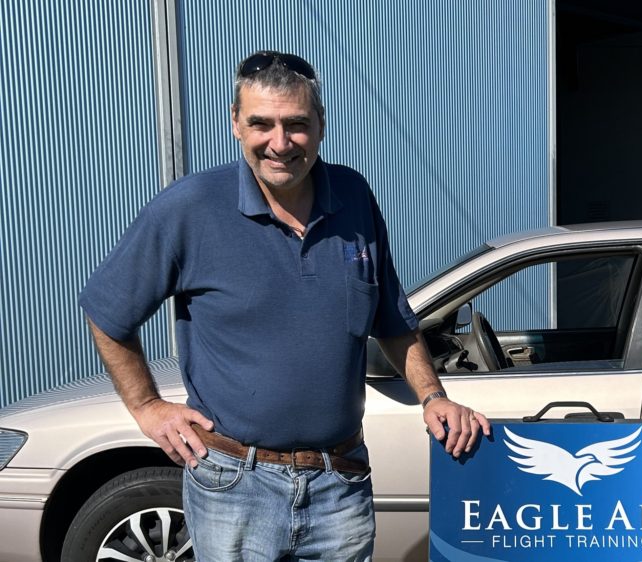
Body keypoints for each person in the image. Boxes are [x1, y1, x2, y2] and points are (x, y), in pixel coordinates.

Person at [79, 50, 490, 561]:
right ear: (236, 123)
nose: (280, 143)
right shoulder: (190, 208)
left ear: (320, 124)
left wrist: (433, 397)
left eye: (296, 124)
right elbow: (108, 311)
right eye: (261, 124)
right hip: (233, 484)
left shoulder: (354, 197)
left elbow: (392, 320)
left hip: (340, 483)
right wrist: (146, 407)